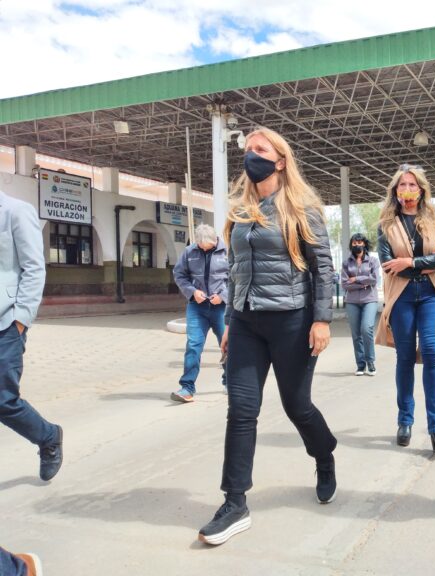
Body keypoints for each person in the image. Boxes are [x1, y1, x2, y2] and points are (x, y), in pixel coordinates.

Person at [198, 126, 337, 546]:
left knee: (297, 406)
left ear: (280, 161)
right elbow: (235, 269)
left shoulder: (302, 209)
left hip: (292, 321)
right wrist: (229, 321)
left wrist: (321, 320)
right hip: (246, 323)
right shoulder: (240, 211)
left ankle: (324, 455)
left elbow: (323, 268)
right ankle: (234, 502)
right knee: (241, 410)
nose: (251, 154)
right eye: (248, 148)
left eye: (260, 149)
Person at [375, 164, 435, 454]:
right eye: (402, 185)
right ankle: (405, 421)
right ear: (395, 191)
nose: (407, 189)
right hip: (402, 296)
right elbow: (388, 265)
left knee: (432, 353)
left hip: (431, 295)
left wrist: (409, 262)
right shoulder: (385, 225)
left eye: (412, 185)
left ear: (421, 190)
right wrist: (425, 263)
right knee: (405, 357)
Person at [0, 190, 63, 482]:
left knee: (3, 400)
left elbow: (34, 268)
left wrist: (20, 320)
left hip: (5, 323)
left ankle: (48, 437)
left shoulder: (15, 210)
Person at [171, 223, 229, 402]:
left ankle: (230, 381)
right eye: (201, 247)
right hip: (197, 307)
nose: (204, 250)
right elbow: (179, 275)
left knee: (227, 345)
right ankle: (187, 388)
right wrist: (192, 292)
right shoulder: (189, 252)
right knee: (193, 346)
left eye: (208, 247)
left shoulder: (228, 252)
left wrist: (223, 296)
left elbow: (237, 279)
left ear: (215, 240)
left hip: (221, 308)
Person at [341, 233, 379, 376]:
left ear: (364, 244)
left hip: (370, 300)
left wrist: (356, 279)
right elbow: (345, 284)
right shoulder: (346, 263)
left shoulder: (373, 261)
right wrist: (363, 283)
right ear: (351, 245)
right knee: (356, 333)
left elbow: (374, 279)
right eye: (355, 243)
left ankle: (371, 361)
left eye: (360, 242)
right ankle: (360, 365)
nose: (357, 245)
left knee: (366, 328)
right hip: (352, 302)